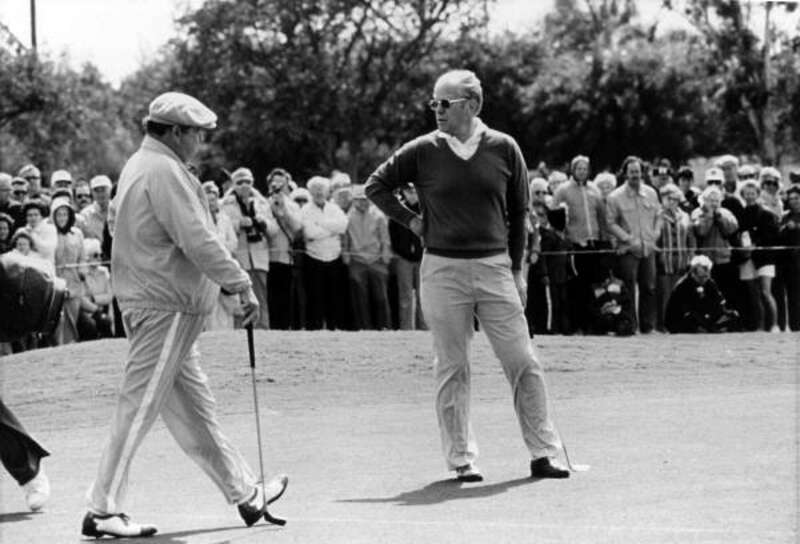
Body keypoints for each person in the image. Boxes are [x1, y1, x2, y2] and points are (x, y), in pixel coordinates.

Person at [82, 92, 288, 539]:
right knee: (137, 406)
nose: (201, 141)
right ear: (175, 132)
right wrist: (239, 282)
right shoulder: (163, 170)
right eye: (197, 133)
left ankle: (245, 494)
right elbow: (197, 238)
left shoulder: (145, 164)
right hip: (165, 306)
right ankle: (102, 509)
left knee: (196, 412)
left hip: (161, 302)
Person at [365, 69, 569, 482]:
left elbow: (519, 214)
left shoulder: (504, 148)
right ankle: (461, 458)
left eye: (446, 103)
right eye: (434, 103)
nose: (437, 110)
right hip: (441, 269)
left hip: (496, 267)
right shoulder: (423, 149)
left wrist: (517, 270)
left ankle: (544, 451)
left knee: (522, 360)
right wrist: (413, 221)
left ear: (472, 105)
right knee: (452, 366)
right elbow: (376, 185)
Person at [606, 156, 662, 333]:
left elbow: (659, 215)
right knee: (629, 288)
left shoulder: (651, 193)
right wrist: (628, 239)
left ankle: (648, 326)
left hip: (648, 249)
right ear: (625, 174)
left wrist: (656, 234)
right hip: (629, 250)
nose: (635, 175)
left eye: (637, 171)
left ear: (642, 172)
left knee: (649, 287)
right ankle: (630, 325)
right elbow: (610, 223)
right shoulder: (615, 197)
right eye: (631, 172)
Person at [553, 155, 608, 334]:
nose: (582, 171)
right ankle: (575, 325)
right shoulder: (563, 190)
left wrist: (604, 240)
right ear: (573, 170)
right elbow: (555, 217)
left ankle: (591, 325)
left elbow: (601, 217)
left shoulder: (595, 190)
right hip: (575, 245)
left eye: (585, 168)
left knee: (594, 286)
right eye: (579, 168)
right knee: (577, 287)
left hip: (593, 244)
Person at [222, 167, 278, 330]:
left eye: (248, 182)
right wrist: (239, 224)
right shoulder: (226, 204)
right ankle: (242, 331)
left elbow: (274, 231)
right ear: (233, 185)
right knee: (240, 298)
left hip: (259, 256)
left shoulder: (261, 203)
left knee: (261, 297)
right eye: (240, 182)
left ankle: (263, 328)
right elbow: (221, 226)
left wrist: (262, 223)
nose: (244, 185)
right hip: (239, 258)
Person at [301, 175, 349, 330]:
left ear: (327, 191)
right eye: (315, 190)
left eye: (322, 189)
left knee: (334, 296)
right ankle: (314, 329)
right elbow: (310, 233)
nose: (319, 192)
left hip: (334, 258)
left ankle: (333, 328)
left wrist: (321, 224)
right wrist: (331, 230)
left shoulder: (334, 208)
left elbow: (342, 226)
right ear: (310, 192)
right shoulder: (305, 210)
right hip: (314, 258)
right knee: (315, 297)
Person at [343, 184, 392, 330]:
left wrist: (385, 256)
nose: (363, 202)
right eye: (359, 199)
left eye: (366, 199)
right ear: (354, 200)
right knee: (360, 298)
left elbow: (385, 238)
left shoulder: (378, 215)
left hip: (377, 260)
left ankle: (384, 327)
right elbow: (345, 239)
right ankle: (364, 327)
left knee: (381, 297)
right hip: (357, 261)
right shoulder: (348, 217)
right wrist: (346, 255)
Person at [737, 180, 780, 331]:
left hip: (765, 258)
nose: (750, 196)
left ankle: (774, 325)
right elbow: (740, 235)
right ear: (743, 195)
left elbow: (772, 235)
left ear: (757, 194)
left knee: (766, 292)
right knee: (754, 295)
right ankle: (760, 326)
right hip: (747, 258)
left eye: (752, 193)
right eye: (747, 194)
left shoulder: (767, 214)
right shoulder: (741, 214)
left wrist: (756, 243)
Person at [691, 185, 739, 315]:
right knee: (706, 293)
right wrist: (709, 216)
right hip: (705, 262)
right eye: (711, 200)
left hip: (723, 259)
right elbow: (701, 231)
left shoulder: (725, 213)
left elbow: (732, 229)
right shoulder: (697, 213)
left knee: (725, 292)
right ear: (704, 200)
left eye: (716, 200)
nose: (714, 203)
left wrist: (719, 217)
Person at [264, 168, 302, 330]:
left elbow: (297, 228)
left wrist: (283, 211)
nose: (278, 186)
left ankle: (286, 327)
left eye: (281, 182)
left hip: (287, 257)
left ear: (287, 184)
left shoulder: (292, 205)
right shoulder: (263, 203)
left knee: (286, 296)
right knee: (271, 297)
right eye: (274, 183)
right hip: (268, 258)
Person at [655, 184, 696, 332]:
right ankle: (662, 325)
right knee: (664, 295)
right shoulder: (657, 215)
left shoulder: (685, 216)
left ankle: (679, 325)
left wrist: (691, 257)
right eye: (668, 198)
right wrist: (658, 254)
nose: (672, 202)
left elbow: (691, 239)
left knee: (680, 294)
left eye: (675, 199)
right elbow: (654, 238)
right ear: (663, 199)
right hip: (664, 262)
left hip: (682, 261)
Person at [664, 255, 739, 333]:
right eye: (701, 277)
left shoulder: (710, 282)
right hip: (683, 319)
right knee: (692, 317)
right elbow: (688, 309)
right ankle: (709, 329)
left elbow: (719, 303)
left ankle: (712, 328)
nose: (704, 280)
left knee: (733, 315)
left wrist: (718, 313)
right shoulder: (683, 285)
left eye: (706, 276)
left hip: (704, 317)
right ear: (693, 273)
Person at [388, 184, 425, 330]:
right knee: (405, 297)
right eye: (409, 191)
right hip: (403, 258)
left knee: (423, 296)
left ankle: (424, 327)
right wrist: (404, 253)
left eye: (415, 190)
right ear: (404, 192)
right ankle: (406, 328)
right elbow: (393, 237)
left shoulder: (425, 209)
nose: (412, 193)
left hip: (423, 259)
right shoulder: (397, 210)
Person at [51, 197, 86, 344]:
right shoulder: (50, 233)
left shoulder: (77, 233)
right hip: (56, 283)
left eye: (65, 214)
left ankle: (71, 346)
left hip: (74, 282)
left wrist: (82, 271)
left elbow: (82, 256)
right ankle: (57, 346)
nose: (62, 218)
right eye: (59, 214)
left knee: (72, 319)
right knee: (58, 319)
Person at [78, 238, 114, 339]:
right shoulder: (83, 274)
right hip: (89, 312)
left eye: (101, 255)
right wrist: (96, 309)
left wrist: (94, 298)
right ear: (87, 257)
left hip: (103, 311)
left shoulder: (104, 273)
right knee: (94, 325)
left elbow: (110, 296)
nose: (99, 258)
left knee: (105, 322)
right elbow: (82, 299)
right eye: (95, 255)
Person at [776, 186, 800, 331]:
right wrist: (785, 228)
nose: (793, 201)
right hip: (788, 262)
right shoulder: (785, 216)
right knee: (791, 296)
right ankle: (793, 326)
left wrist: (796, 227)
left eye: (796, 198)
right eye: (790, 199)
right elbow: (779, 234)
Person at [79, 175, 113, 247]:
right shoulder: (85, 215)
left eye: (103, 189)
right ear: (92, 193)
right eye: (96, 190)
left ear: (110, 189)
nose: (100, 194)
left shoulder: (118, 210)